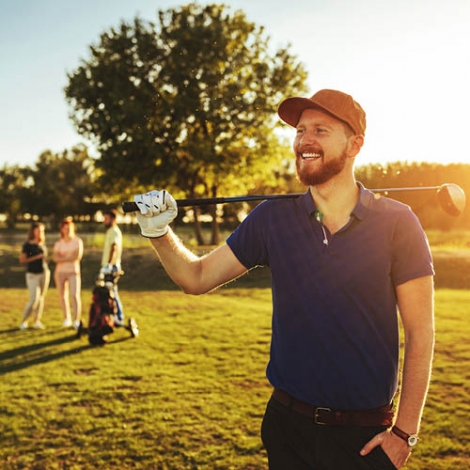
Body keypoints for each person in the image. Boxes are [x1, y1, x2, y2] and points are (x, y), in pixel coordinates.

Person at [132, 89, 435, 470]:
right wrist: (159, 233)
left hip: (364, 439)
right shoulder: (271, 219)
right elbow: (197, 277)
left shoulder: (398, 222)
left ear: (355, 144)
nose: (305, 140)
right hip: (287, 427)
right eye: (300, 130)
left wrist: (405, 433)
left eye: (321, 130)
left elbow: (421, 333)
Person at [52, 217, 84, 329]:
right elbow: (55, 258)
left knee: (74, 295)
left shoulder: (77, 242)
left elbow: (77, 256)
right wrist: (68, 257)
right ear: (62, 230)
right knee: (62, 296)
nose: (67, 230)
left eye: (69, 228)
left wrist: (63, 257)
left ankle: (77, 319)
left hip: (73, 272)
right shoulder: (58, 243)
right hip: (60, 272)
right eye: (65, 228)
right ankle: (67, 318)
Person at [19, 222, 51, 329]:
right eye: (38, 230)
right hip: (32, 274)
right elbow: (22, 260)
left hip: (44, 273)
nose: (40, 233)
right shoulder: (27, 245)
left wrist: (45, 259)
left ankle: (37, 320)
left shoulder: (42, 244)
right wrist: (37, 257)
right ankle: (24, 320)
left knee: (41, 297)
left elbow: (44, 258)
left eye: (42, 231)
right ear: (33, 231)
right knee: (34, 298)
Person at [101, 209, 125, 325]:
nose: (104, 221)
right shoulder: (110, 231)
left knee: (112, 292)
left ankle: (119, 317)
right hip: (109, 266)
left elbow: (114, 248)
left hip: (112, 267)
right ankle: (114, 316)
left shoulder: (114, 231)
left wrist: (109, 265)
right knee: (109, 292)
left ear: (113, 219)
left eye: (106, 219)